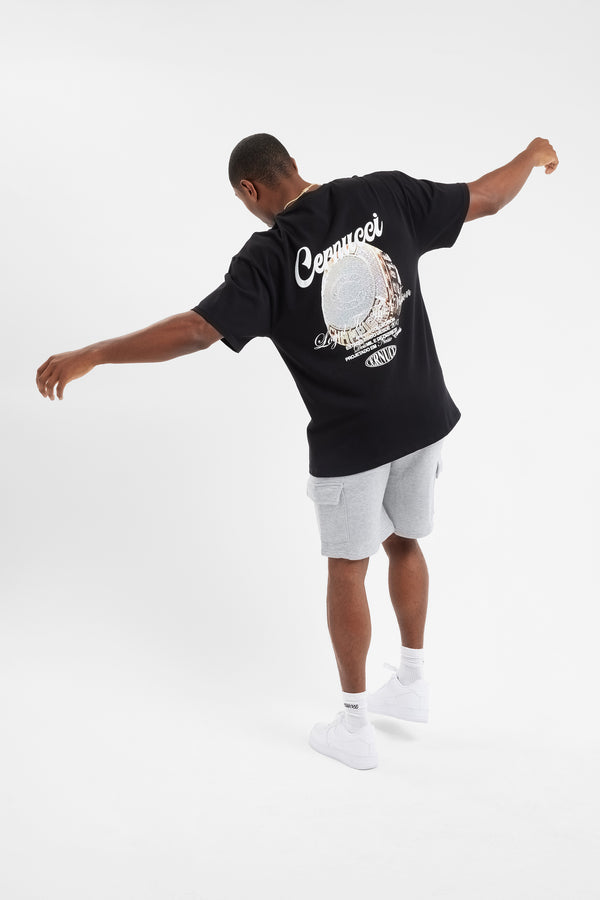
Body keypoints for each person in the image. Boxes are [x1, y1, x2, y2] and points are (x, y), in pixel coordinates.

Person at [36, 133, 559, 770]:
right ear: (293, 165)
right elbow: (487, 199)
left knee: (348, 568)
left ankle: (355, 726)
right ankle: (412, 682)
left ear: (250, 188)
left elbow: (198, 331)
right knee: (405, 543)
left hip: (354, 440)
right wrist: (532, 154)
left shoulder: (269, 256)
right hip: (423, 415)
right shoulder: (383, 194)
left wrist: (95, 353)